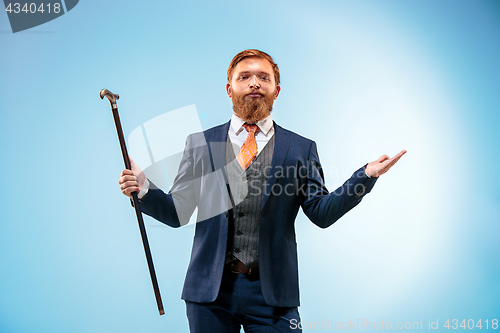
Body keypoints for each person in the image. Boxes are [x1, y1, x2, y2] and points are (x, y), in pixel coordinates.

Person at [118, 49, 406, 332]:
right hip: (209, 294)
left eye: (263, 78)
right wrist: (144, 190)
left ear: (276, 90)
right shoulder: (200, 144)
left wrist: (365, 176)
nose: (254, 82)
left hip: (274, 296)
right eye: (244, 77)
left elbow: (321, 212)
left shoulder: (301, 149)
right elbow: (177, 211)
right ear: (229, 89)